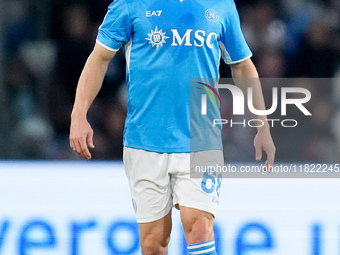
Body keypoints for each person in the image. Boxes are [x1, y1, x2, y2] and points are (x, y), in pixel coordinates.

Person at [69, 0, 276, 254]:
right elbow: (99, 58)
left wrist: (262, 125)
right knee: (154, 243)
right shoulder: (130, 4)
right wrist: (79, 115)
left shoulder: (221, 5)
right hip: (144, 140)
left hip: (202, 139)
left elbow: (242, 66)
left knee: (199, 226)